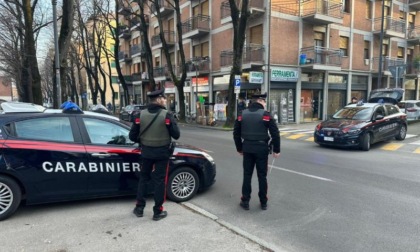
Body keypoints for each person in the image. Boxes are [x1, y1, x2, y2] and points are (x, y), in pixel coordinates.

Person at [129, 89, 180, 221]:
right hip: (162, 154)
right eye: (163, 98)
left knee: (143, 179)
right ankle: (157, 212)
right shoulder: (167, 115)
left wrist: (144, 140)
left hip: (146, 153)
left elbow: (132, 136)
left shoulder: (140, 115)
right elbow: (176, 135)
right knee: (160, 181)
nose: (165, 100)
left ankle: (139, 208)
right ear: (158, 100)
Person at [233, 92, 280, 211]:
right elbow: (275, 134)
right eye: (264, 102)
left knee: (247, 175)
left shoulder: (242, 114)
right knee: (262, 176)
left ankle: (245, 201)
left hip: (247, 148)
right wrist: (277, 150)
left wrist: (239, 148)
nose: (265, 104)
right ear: (261, 101)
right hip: (261, 150)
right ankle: (263, 202)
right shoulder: (266, 115)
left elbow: (236, 134)